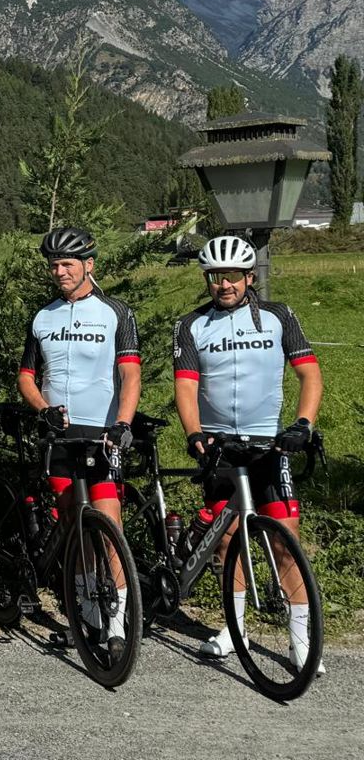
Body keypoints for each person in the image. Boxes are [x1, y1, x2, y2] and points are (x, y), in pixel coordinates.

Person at [173, 234, 323, 670]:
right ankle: (231, 629)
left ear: (249, 277)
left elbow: (309, 375)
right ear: (208, 279)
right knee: (225, 540)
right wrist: (195, 433)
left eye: (234, 276)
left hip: (268, 443)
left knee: (285, 538)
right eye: (217, 277)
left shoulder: (278, 316)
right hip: (220, 445)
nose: (225, 285)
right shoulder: (192, 324)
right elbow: (186, 385)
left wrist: (303, 425)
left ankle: (300, 640)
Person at [17, 227, 140, 659]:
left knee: (109, 528)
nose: (60, 271)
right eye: (54, 264)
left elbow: (130, 373)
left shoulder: (115, 313)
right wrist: (41, 408)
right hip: (60, 436)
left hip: (101, 434)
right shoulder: (43, 317)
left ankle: (119, 623)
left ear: (90, 264)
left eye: (68, 263)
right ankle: (88, 616)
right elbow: (26, 376)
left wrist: (123, 423)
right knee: (74, 526)